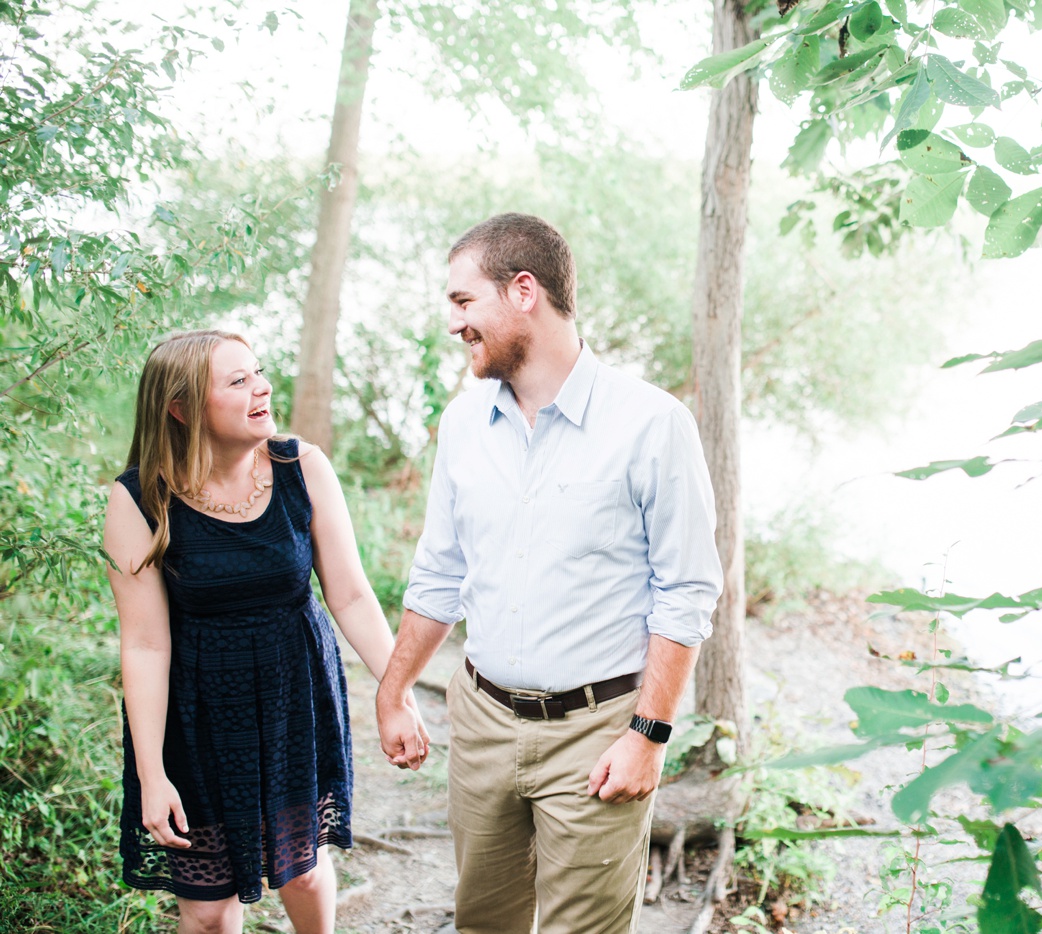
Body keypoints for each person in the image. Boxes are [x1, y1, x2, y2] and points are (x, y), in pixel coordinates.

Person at [375, 213, 723, 934]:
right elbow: (439, 574)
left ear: (523, 291)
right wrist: (395, 689)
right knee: (483, 923)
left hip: (599, 730)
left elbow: (686, 591)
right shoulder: (463, 427)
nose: (454, 323)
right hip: (480, 722)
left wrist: (648, 736)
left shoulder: (653, 424)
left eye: (464, 302)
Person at [104, 329, 427, 934]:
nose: (263, 388)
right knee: (206, 911)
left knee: (302, 870)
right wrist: (153, 774)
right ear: (180, 408)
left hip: (292, 700)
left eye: (258, 372)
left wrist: (398, 692)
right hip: (195, 717)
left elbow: (352, 595)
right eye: (238, 381)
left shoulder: (302, 466)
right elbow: (145, 644)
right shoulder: (139, 500)